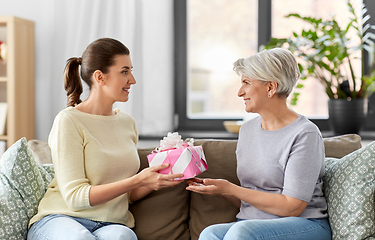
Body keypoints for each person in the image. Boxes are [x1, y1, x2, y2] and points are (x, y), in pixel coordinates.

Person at [27, 38, 184, 240]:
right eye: (124, 71)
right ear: (100, 77)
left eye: (131, 70)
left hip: (111, 224)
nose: (132, 80)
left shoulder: (127, 123)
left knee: (123, 237)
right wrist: (137, 179)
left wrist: (157, 179)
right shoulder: (69, 121)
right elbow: (75, 197)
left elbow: (125, 195)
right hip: (62, 219)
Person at [186, 48, 332, 240]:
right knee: (210, 233)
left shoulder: (305, 133)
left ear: (271, 87)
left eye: (246, 82)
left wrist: (231, 188)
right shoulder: (247, 131)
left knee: (241, 231)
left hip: (304, 224)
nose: (240, 92)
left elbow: (293, 206)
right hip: (253, 225)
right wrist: (220, 191)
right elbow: (252, 200)